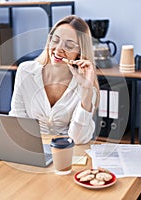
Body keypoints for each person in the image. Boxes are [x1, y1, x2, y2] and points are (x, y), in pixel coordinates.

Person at [9, 15, 100, 144]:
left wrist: (86, 90)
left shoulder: (87, 86)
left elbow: (77, 139)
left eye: (69, 46)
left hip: (67, 152)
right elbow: (17, 120)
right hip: (31, 147)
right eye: (55, 40)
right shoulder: (25, 71)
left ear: (80, 53)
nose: (58, 49)